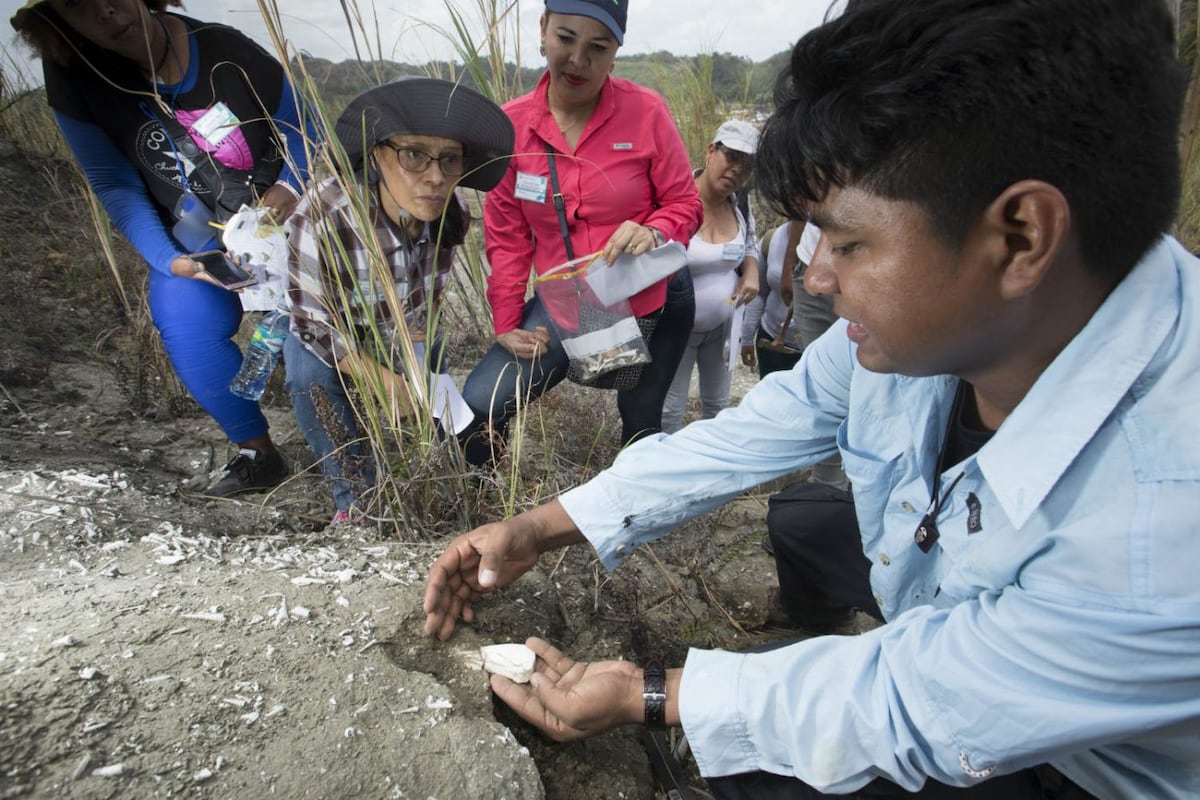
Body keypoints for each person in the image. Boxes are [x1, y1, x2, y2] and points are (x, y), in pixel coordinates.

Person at [423, 1, 1200, 798]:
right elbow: (750, 434)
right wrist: (539, 528)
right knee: (802, 518)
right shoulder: (928, 331)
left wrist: (647, 694)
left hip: (1085, 766)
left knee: (761, 772)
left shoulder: (1163, 532)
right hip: (943, 596)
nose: (816, 275)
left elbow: (911, 699)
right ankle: (815, 612)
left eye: (851, 242)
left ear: (1022, 236)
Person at [10, 0, 310, 497]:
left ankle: (356, 441)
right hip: (196, 244)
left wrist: (291, 187)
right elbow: (114, 182)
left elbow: (306, 130)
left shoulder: (224, 47)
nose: (105, 11)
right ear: (57, 22)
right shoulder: (74, 78)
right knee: (184, 317)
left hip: (291, 229)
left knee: (311, 338)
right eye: (80, 5)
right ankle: (258, 454)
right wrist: (173, 261)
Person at [458, 0, 702, 462]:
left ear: (616, 53)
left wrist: (653, 228)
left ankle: (637, 513)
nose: (578, 61)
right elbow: (508, 238)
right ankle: (487, 510)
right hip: (566, 303)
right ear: (544, 29)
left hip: (653, 297)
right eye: (566, 39)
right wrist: (507, 320)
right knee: (481, 401)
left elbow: (685, 203)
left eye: (598, 47)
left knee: (640, 417)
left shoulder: (646, 112)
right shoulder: (509, 128)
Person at [284, 78, 514, 525]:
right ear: (376, 156)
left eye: (450, 160)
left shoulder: (453, 214)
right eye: (413, 156)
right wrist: (383, 381)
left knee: (442, 404)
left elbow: (422, 309)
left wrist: (413, 370)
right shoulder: (325, 214)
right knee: (307, 375)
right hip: (329, 331)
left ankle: (448, 479)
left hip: (400, 328)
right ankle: (356, 500)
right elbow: (312, 321)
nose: (434, 177)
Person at [661, 120, 760, 434]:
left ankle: (709, 476)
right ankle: (664, 476)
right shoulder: (674, 196)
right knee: (668, 409)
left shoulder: (740, 204)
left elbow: (750, 245)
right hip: (675, 328)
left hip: (723, 327)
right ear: (711, 151)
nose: (736, 171)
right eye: (731, 157)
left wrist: (752, 274)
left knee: (718, 407)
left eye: (746, 167)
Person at [740, 220, 806, 379]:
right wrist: (747, 337)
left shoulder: (834, 241)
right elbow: (759, 293)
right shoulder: (773, 238)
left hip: (814, 347)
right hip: (770, 339)